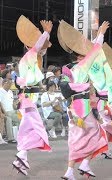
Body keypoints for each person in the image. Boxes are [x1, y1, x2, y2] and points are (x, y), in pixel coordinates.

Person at [58, 20, 109, 179]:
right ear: (81, 56)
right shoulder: (82, 66)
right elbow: (94, 50)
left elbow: (91, 50)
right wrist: (100, 34)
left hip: (72, 107)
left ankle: (70, 171)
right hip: (83, 107)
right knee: (97, 134)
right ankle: (85, 163)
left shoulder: (68, 69)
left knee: (75, 138)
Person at [11, 16, 53, 176]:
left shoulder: (33, 60)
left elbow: (40, 48)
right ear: (28, 45)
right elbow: (37, 47)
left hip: (29, 99)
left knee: (29, 128)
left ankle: (21, 158)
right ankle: (20, 156)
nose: (43, 49)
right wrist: (45, 33)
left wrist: (46, 35)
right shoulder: (28, 56)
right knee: (34, 127)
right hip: (27, 99)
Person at [0, 78, 20, 143]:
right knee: (9, 119)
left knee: (20, 117)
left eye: (11, 84)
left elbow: (13, 103)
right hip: (6, 111)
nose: (10, 85)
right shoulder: (0, 91)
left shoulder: (10, 92)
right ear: (5, 83)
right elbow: (0, 103)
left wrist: (16, 106)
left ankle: (19, 136)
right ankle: (10, 138)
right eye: (9, 84)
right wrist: (4, 112)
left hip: (12, 111)